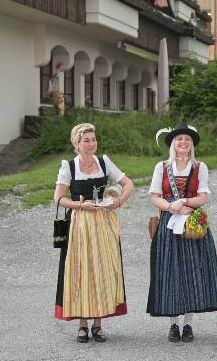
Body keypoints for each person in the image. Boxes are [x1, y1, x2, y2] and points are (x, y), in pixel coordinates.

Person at [53, 123, 134, 343]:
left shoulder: (103, 162)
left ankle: (98, 324)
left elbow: (128, 184)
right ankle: (82, 325)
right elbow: (58, 198)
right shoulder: (68, 167)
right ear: (77, 144)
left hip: (103, 223)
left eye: (93, 139)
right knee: (80, 271)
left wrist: (117, 201)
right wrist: (80, 206)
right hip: (79, 224)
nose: (91, 144)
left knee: (102, 269)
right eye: (86, 140)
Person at [147, 122, 217, 343]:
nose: (183, 142)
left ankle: (188, 324)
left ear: (192, 145)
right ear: (172, 143)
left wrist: (185, 202)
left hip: (193, 225)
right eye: (179, 139)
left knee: (192, 272)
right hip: (169, 223)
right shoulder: (161, 167)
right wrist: (171, 206)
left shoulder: (200, 167)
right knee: (171, 273)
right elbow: (154, 196)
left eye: (187, 140)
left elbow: (203, 197)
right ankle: (173, 324)